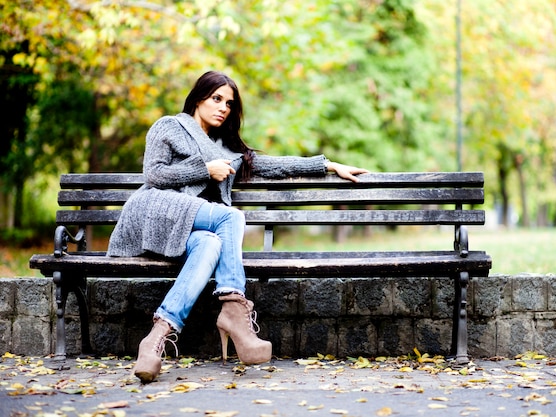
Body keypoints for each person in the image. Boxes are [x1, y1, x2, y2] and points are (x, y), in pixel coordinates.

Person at [107, 70, 369, 383]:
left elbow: (274, 165)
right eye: (216, 98)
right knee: (230, 216)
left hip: (188, 228)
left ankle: (156, 338)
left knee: (212, 244)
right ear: (199, 98)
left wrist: (328, 165)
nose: (223, 107)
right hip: (157, 212)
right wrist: (204, 169)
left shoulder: (228, 150)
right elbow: (154, 174)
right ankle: (233, 305)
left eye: (229, 104)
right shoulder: (170, 126)